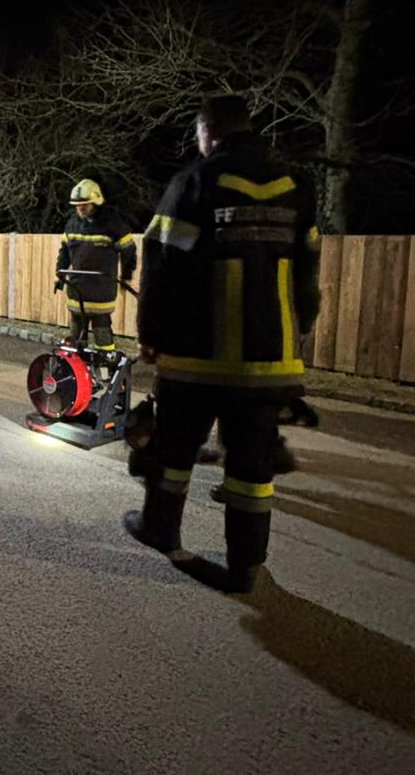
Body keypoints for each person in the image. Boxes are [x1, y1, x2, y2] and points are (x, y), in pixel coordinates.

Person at [125, 95, 320, 591]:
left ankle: (160, 528)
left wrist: (151, 336)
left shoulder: (193, 183)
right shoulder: (296, 186)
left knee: (174, 451)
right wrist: (301, 325)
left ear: (206, 133)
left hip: (197, 358)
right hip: (269, 360)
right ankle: (245, 565)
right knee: (252, 466)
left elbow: (161, 264)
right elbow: (307, 268)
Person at [54, 178, 138, 355]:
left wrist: (126, 275)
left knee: (101, 330)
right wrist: (60, 274)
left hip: (101, 290)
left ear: (96, 202)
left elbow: (129, 251)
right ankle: (77, 367)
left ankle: (105, 364)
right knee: (76, 335)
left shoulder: (112, 224)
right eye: (77, 205)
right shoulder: (73, 224)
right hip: (77, 290)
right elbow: (64, 252)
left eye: (84, 204)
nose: (80, 208)